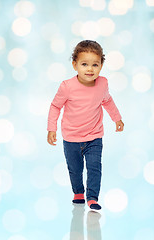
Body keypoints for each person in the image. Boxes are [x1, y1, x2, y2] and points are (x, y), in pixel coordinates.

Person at [47, 40, 124, 211]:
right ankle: (78, 192)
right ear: (74, 65)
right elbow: (55, 106)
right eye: (84, 64)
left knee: (94, 167)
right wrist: (51, 128)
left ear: (101, 66)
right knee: (75, 169)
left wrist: (116, 118)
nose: (90, 69)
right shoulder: (67, 86)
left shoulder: (102, 83)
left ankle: (92, 197)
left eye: (95, 64)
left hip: (94, 136)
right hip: (71, 138)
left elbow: (108, 101)